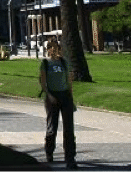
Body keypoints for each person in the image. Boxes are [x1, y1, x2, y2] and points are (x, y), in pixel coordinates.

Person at [40, 40, 77, 169]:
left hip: (65, 96)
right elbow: (43, 82)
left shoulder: (63, 62)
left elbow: (69, 82)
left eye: (57, 48)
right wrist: (50, 96)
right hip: (52, 97)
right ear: (48, 49)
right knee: (52, 128)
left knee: (69, 129)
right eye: (53, 48)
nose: (56, 50)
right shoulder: (45, 63)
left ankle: (70, 158)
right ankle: (49, 151)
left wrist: (71, 98)